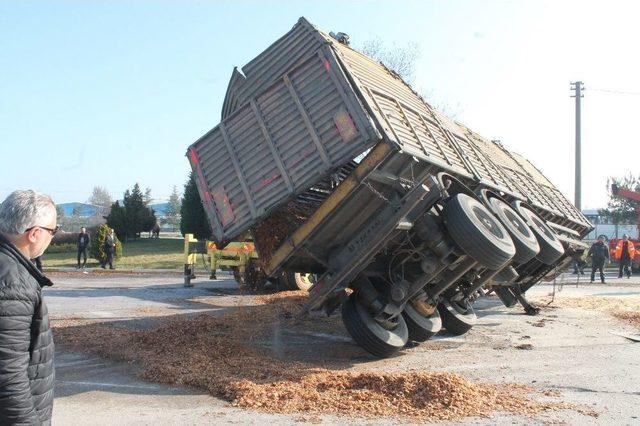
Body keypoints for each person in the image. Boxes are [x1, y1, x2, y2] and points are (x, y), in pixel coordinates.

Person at [0, 190, 56, 424]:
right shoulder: (13, 284)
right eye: (53, 231)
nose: (53, 237)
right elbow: (8, 374)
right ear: (34, 234)